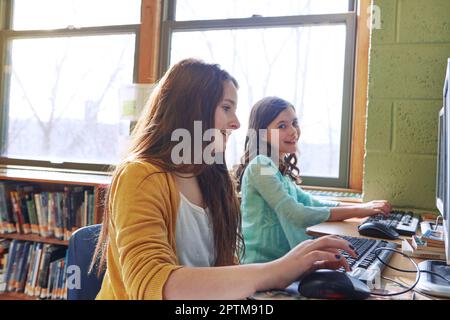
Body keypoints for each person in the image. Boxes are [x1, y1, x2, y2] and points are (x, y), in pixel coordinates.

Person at [92, 59, 357, 300]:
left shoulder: (213, 179)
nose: (236, 123)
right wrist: (277, 270)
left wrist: (296, 272)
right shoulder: (140, 176)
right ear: (191, 109)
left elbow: (222, 271)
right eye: (226, 108)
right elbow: (151, 285)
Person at [236, 96, 391, 264]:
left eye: (294, 123)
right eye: (282, 126)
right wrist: (359, 210)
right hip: (263, 268)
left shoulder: (278, 171)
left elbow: (311, 202)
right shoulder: (261, 165)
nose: (293, 131)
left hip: (284, 264)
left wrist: (362, 208)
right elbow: (296, 213)